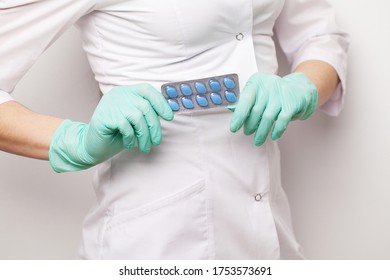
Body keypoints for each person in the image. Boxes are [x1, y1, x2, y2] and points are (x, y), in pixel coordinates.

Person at [0, 0, 348, 259]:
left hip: (269, 229)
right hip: (155, 241)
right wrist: (73, 143)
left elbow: (321, 35)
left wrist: (304, 87)